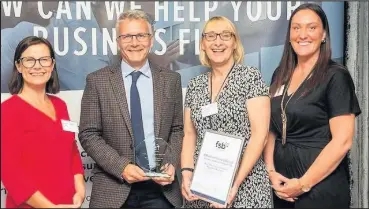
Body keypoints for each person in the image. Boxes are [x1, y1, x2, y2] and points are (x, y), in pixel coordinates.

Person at [78, 10, 184, 208]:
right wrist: (122, 167)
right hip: (114, 188)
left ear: (151, 40)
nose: (134, 43)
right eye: (127, 36)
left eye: (141, 36)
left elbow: (177, 129)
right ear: (118, 41)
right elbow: (88, 134)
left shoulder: (171, 80)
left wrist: (170, 162)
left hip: (160, 191)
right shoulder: (97, 81)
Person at [263, 3, 361, 208]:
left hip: (319, 188)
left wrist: (303, 184)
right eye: (296, 28)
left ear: (323, 34)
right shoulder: (281, 73)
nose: (303, 34)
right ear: (289, 35)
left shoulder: (336, 76)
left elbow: (343, 141)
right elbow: (272, 128)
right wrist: (271, 171)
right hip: (282, 187)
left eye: (311, 27)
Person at [181, 16, 272, 208]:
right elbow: (190, 135)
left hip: (245, 186)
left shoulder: (250, 78)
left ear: (235, 43)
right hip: (202, 189)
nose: (218, 42)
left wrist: (233, 184)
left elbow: (260, 136)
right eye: (211, 36)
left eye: (225, 35)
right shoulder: (195, 86)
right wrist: (187, 173)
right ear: (203, 44)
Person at [1, 36, 85, 208]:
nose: (37, 66)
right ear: (18, 66)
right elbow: (10, 172)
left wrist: (81, 190)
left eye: (44, 60)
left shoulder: (60, 105)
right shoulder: (8, 110)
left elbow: (72, 152)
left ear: (52, 65)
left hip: (68, 204)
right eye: (29, 60)